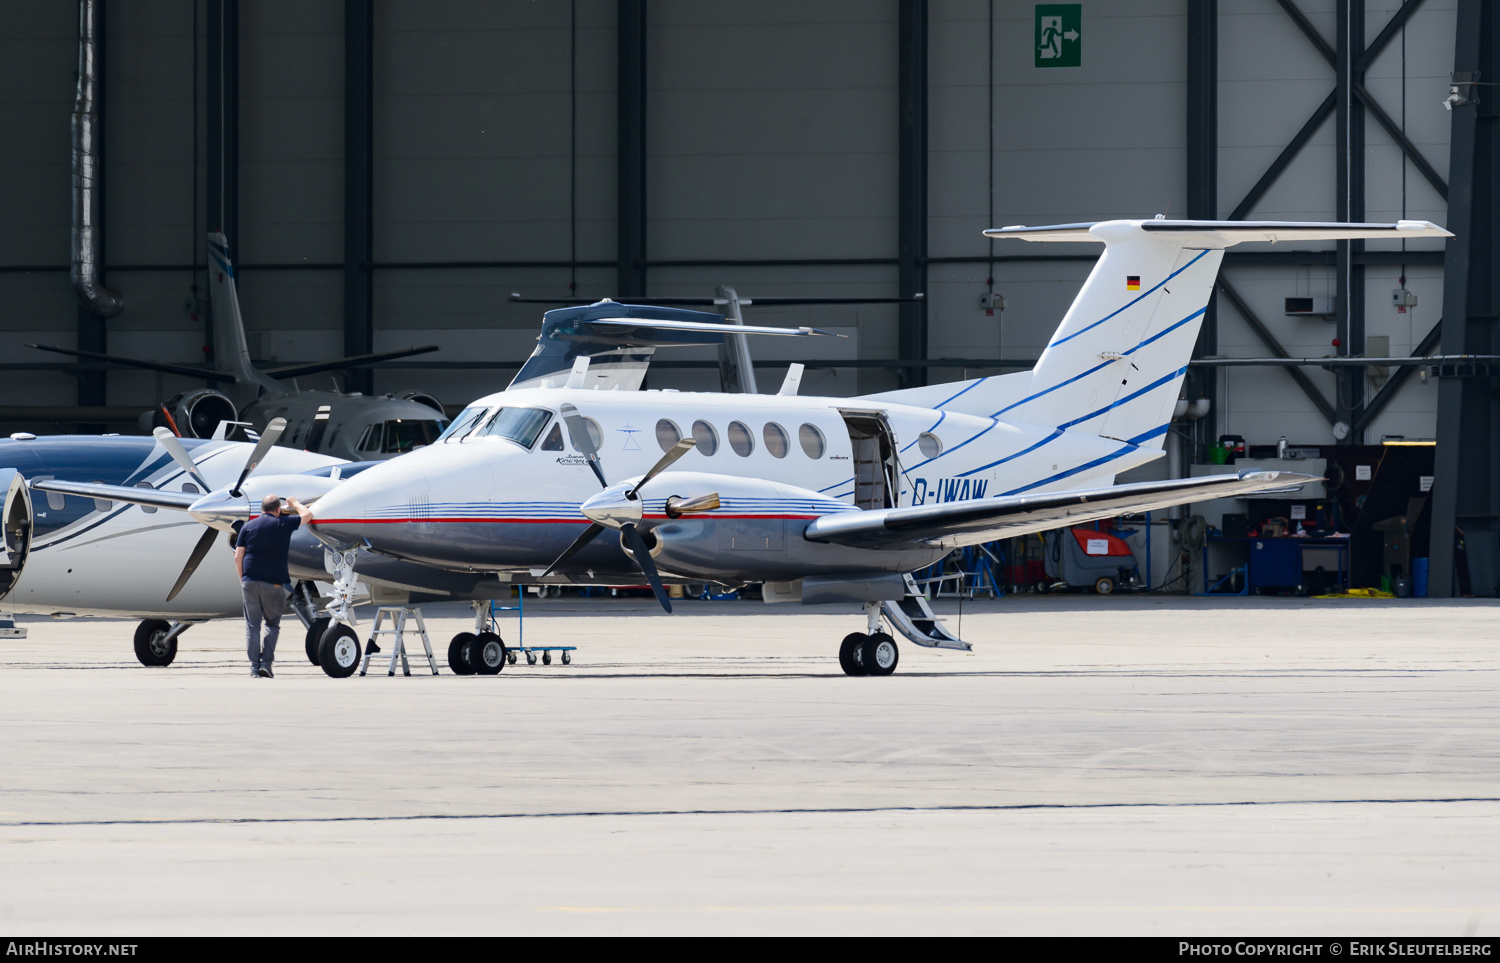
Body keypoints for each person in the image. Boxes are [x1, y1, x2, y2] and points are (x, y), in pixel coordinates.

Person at [235, 494, 313, 678]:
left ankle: (254, 668)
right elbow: (308, 515)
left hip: (250, 581)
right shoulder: (283, 524)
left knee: (252, 626)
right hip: (274, 584)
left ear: (261, 509)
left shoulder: (247, 527)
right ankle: (266, 665)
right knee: (272, 624)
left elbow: (238, 557)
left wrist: (243, 580)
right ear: (278, 510)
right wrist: (294, 503)